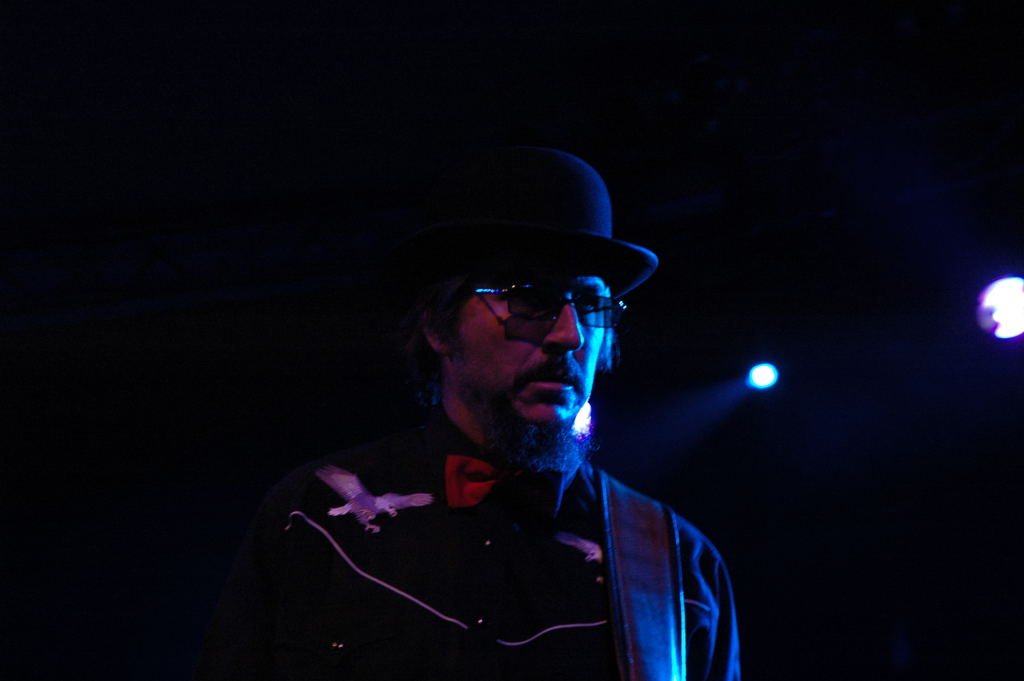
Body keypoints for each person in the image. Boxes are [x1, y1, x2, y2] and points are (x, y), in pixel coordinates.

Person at [194, 147, 741, 681]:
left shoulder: (677, 567)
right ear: (439, 325)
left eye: (590, 304)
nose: (570, 335)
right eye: (530, 299)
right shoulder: (315, 517)